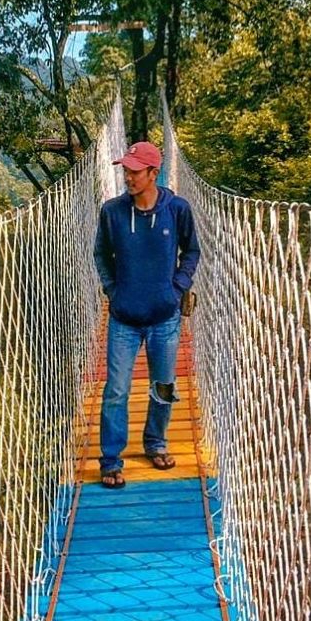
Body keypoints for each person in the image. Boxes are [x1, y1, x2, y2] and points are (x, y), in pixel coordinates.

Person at [92, 141, 201, 488]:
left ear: (154, 173)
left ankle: (156, 443)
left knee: (163, 388)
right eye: (125, 170)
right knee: (116, 390)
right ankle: (110, 460)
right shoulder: (112, 212)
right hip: (124, 318)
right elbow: (101, 255)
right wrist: (113, 290)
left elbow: (192, 251)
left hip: (164, 318)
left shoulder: (177, 209)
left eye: (135, 171)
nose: (128, 177)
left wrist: (177, 287)